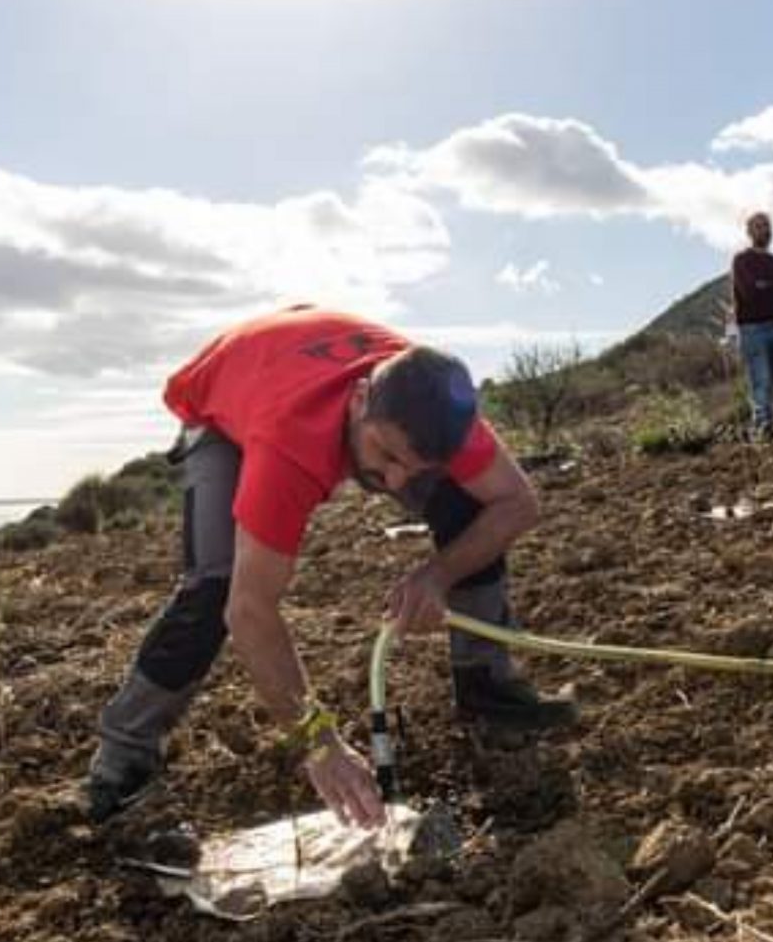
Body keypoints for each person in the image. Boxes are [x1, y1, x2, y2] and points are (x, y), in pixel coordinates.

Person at [83, 306, 576, 830]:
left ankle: (489, 693)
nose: (392, 480)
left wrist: (438, 573)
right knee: (215, 585)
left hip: (307, 348)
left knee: (471, 507)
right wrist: (320, 743)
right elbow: (250, 612)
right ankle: (123, 756)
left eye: (414, 468)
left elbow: (517, 502)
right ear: (361, 400)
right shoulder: (290, 442)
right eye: (383, 454)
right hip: (229, 393)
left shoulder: (440, 411)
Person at [726, 212, 773, 440]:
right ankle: (762, 426)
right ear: (749, 232)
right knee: (760, 377)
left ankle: (765, 423)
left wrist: (767, 285)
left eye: (766, 226)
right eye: (758, 226)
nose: (763, 230)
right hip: (751, 328)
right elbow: (749, 292)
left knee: (770, 380)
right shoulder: (742, 260)